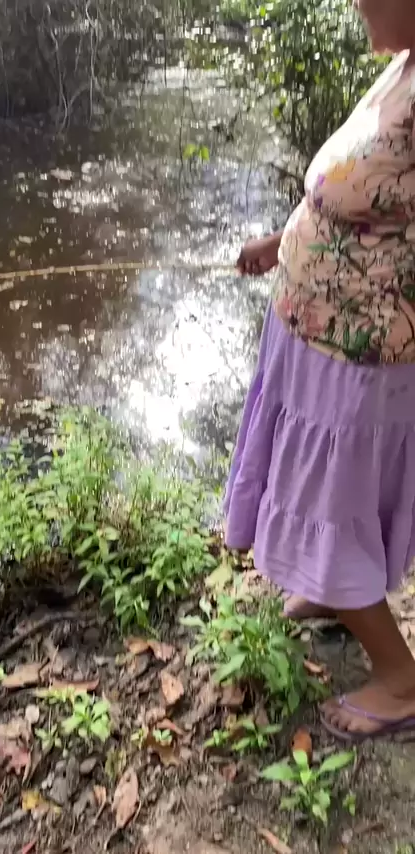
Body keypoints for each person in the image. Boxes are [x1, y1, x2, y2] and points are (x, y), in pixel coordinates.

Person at [224, 0, 415, 741]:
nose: (357, 1)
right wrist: (282, 241)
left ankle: (401, 680)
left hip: (361, 352)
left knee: (330, 495)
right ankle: (338, 591)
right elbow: (360, 186)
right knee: (331, 491)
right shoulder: (403, 66)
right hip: (314, 334)